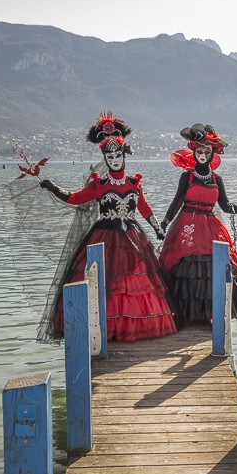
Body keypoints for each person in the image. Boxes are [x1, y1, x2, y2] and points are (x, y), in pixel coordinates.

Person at [39, 111, 178, 342]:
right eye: (110, 157)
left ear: (124, 155)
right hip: (103, 238)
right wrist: (53, 187)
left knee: (133, 284)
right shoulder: (99, 185)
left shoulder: (134, 183)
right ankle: (102, 328)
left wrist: (157, 228)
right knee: (105, 282)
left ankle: (131, 326)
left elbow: (144, 209)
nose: (114, 160)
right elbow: (75, 198)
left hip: (133, 238)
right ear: (105, 159)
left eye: (118, 155)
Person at [159, 123, 237, 321]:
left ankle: (210, 314)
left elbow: (226, 206)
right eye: (199, 150)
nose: (202, 153)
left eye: (206, 150)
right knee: (188, 268)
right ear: (194, 151)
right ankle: (187, 316)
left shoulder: (216, 179)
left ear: (212, 154)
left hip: (211, 227)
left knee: (215, 266)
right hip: (188, 225)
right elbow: (177, 201)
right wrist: (165, 222)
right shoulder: (187, 177)